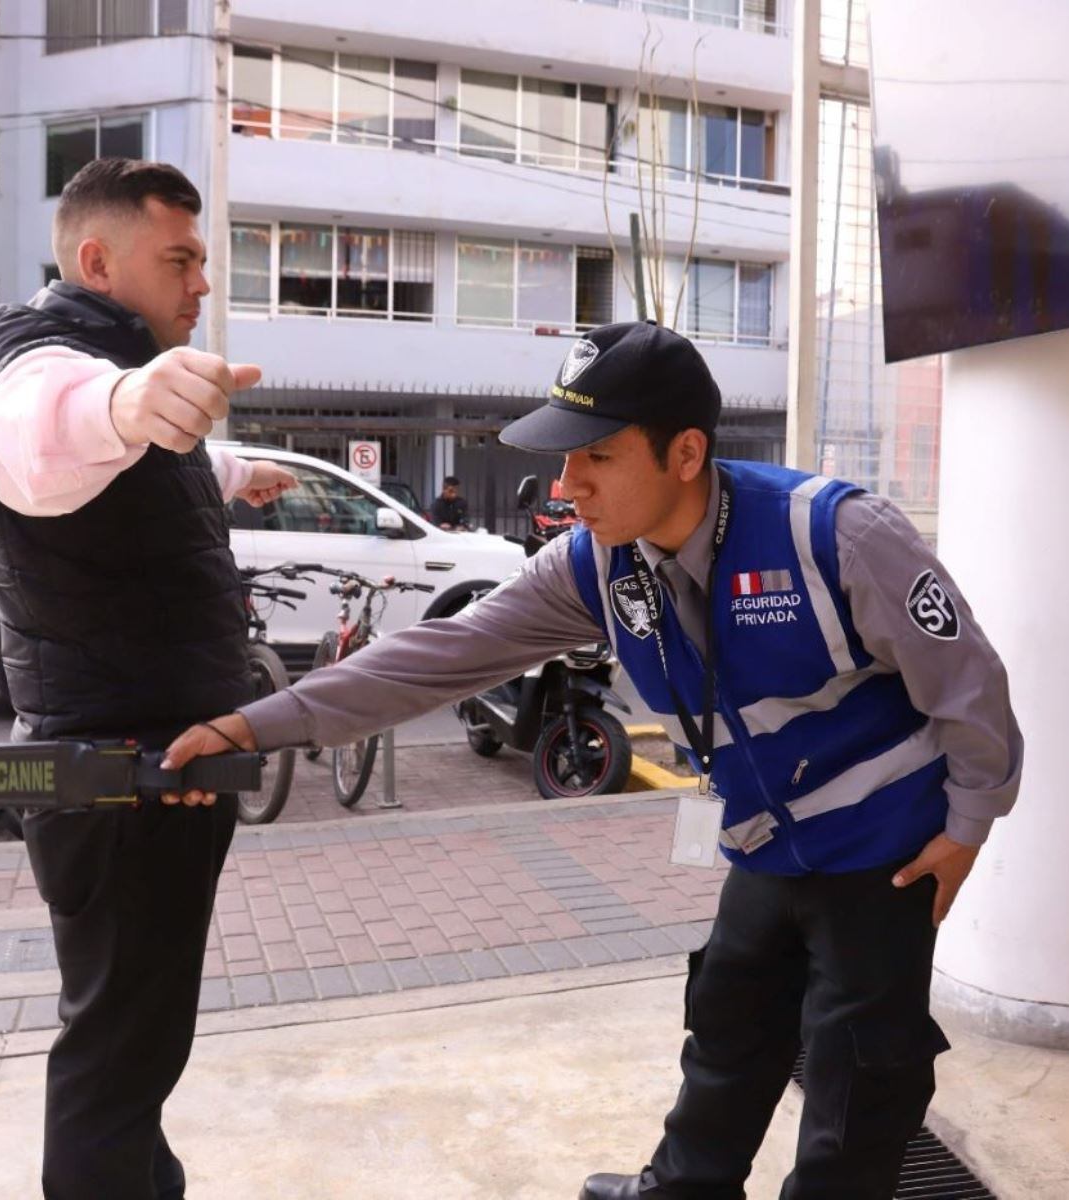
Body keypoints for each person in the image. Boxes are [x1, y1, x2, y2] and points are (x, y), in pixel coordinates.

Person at [163, 321, 1023, 1198]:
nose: (568, 487)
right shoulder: (595, 565)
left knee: (857, 1082)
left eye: (596, 458)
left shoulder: (834, 536)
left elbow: (970, 683)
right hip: (763, 842)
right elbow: (444, 654)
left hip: (884, 855)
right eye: (563, 459)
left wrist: (969, 827)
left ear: (684, 453)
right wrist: (256, 724)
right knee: (727, 1028)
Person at [0, 157, 296, 1200]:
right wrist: (126, 399)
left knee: (137, 1041)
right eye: (180, 259)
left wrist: (235, 470)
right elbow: (42, 430)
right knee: (116, 1054)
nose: (201, 284)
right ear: (98, 260)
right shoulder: (42, 366)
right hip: (116, 782)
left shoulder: (132, 380)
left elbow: (135, 454)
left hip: (157, 769)